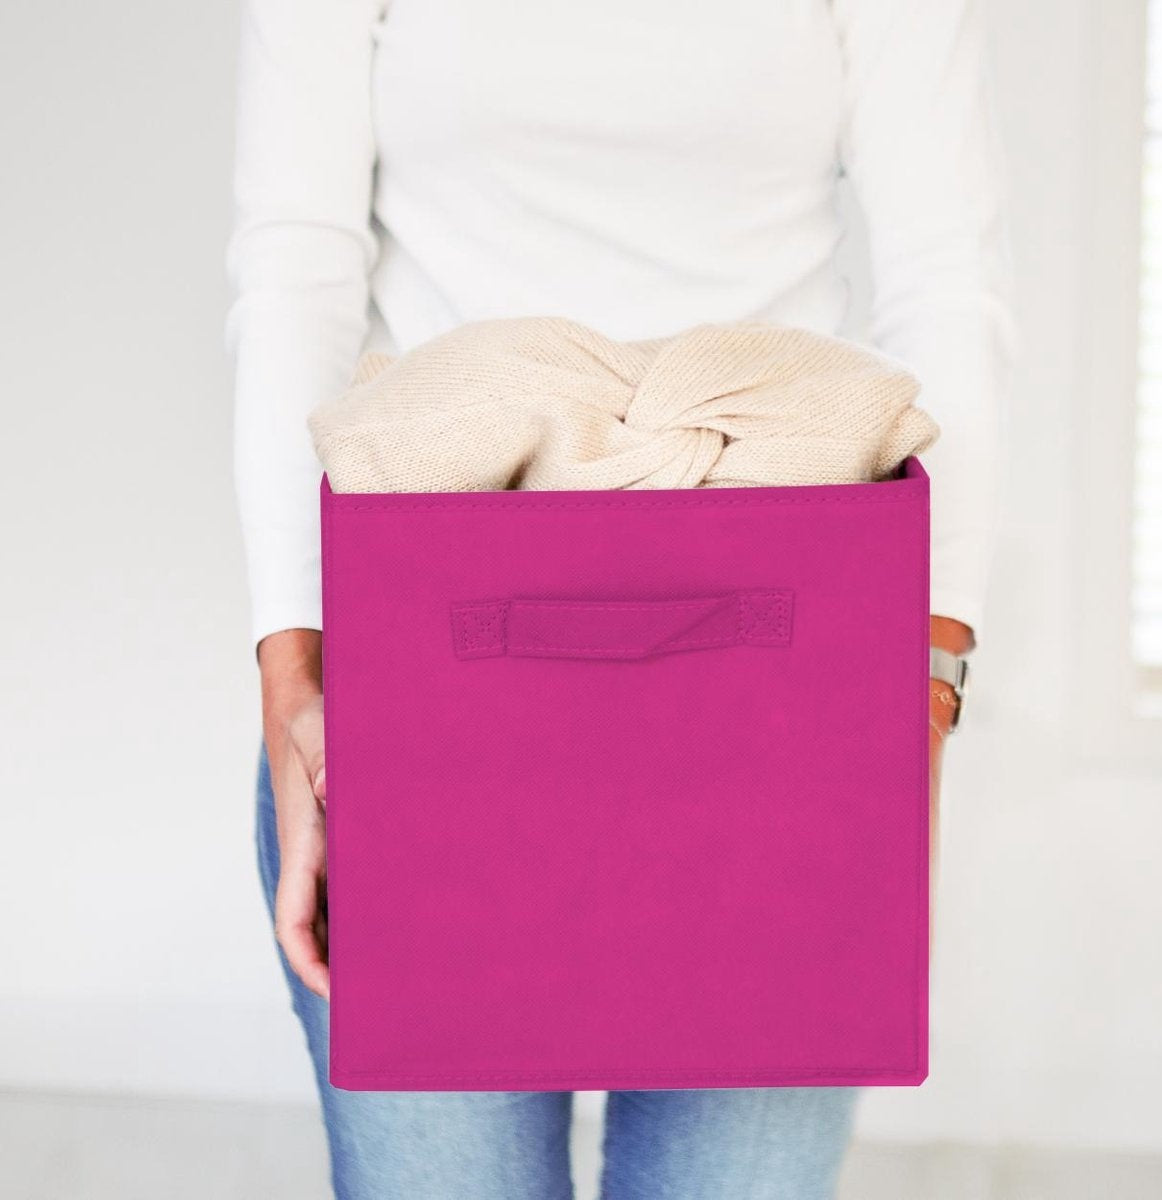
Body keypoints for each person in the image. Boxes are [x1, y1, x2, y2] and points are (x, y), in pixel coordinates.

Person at [224, 1, 1015, 1195]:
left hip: (776, 707)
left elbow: (949, 279)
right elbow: (295, 271)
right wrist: (296, 691)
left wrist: (922, 706)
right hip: (426, 691)